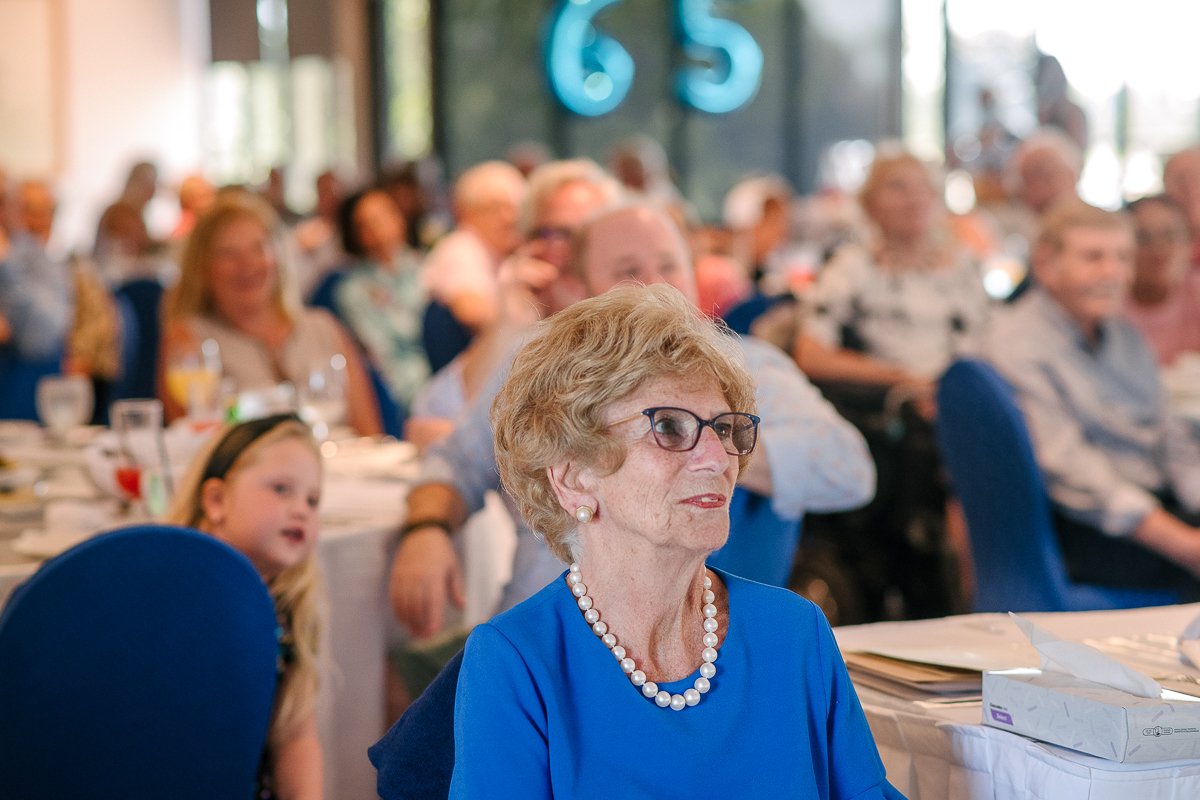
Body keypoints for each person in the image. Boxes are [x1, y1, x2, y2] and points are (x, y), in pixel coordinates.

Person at [439, 284, 897, 796]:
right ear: (572, 478)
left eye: (725, 429)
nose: (719, 459)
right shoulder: (518, 661)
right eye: (671, 429)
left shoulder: (793, 633)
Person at [389, 202, 874, 637]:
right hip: (541, 630)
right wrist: (427, 529)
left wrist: (699, 432)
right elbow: (456, 463)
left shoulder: (748, 367)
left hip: (709, 645)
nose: (656, 284)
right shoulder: (536, 366)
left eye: (669, 265)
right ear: (577, 289)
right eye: (629, 270)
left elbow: (850, 471)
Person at [984, 202, 1200, 596]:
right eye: (1093, 257)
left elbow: (1171, 436)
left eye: (1122, 257)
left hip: (1149, 507)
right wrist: (1184, 544)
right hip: (1081, 530)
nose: (1113, 272)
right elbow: (1069, 469)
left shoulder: (1123, 335)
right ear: (1047, 265)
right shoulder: (1015, 345)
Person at [165, 413, 325, 799]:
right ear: (216, 500)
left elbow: (295, 738)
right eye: (282, 489)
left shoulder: (286, 612)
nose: (301, 508)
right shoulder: (172, 596)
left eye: (312, 499)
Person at [159, 192, 382, 434]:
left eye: (259, 247)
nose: (247, 264)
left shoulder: (322, 328)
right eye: (228, 253)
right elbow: (193, 441)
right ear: (202, 268)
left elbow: (370, 434)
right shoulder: (191, 341)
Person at [420, 160, 525, 333]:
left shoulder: (500, 253)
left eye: (515, 207)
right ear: (466, 213)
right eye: (496, 208)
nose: (510, 218)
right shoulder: (460, 248)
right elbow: (473, 312)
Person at [1123, 195, 1200, 365]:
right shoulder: (1105, 305)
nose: (1158, 249)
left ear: (1190, 243)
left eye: (1170, 236)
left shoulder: (1196, 291)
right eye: (1143, 238)